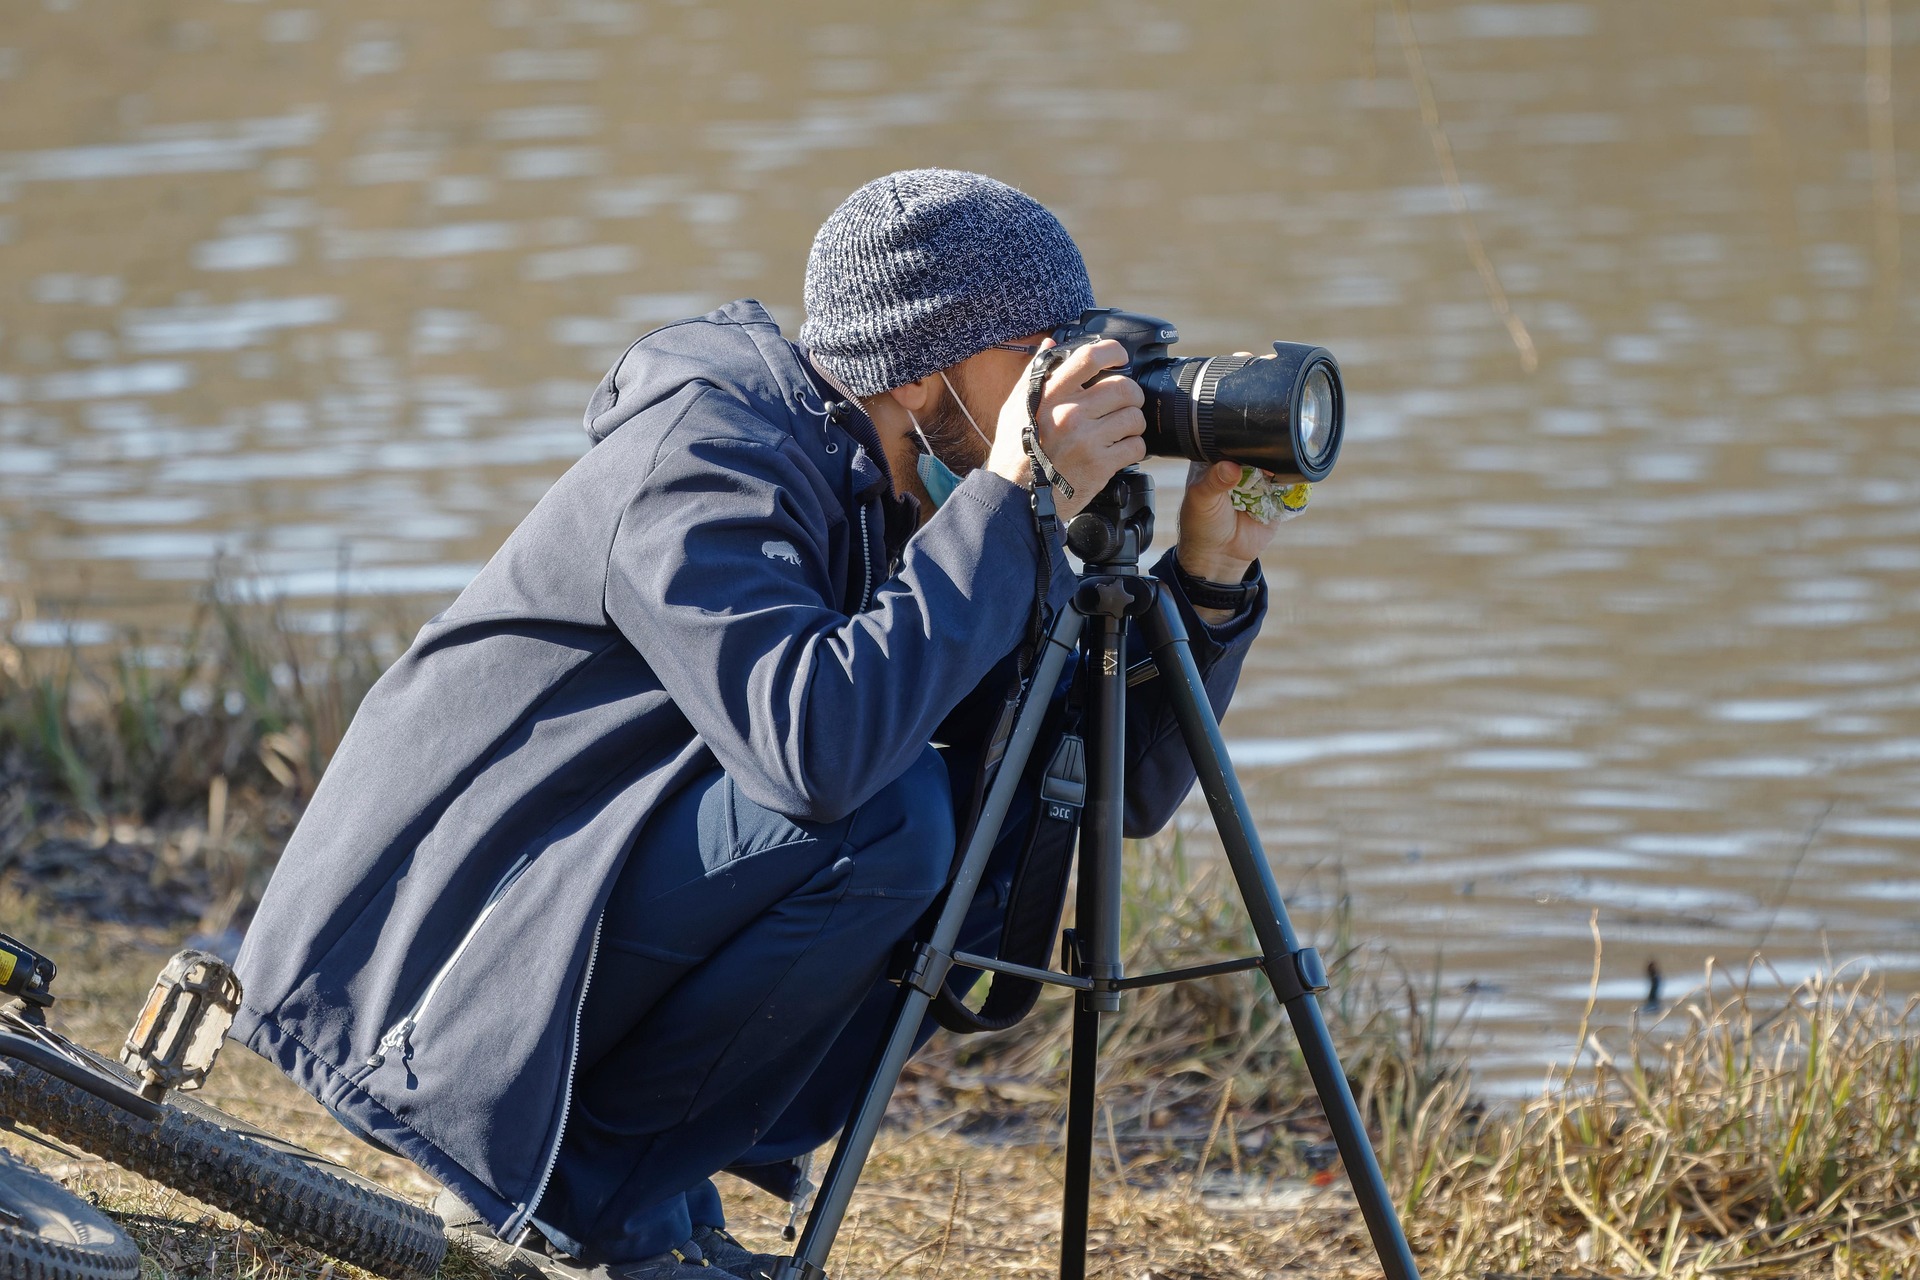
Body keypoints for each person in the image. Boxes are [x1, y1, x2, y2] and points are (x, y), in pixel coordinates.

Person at [232, 169, 1294, 1280]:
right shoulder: (708, 453)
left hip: (564, 905)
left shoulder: (917, 495)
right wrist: (1009, 495)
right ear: (922, 367)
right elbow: (817, 753)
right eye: (1043, 351)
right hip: (423, 963)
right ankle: (588, 1214)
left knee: (992, 814)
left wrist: (1210, 580)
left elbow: (1095, 785)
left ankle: (629, 1193)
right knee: (889, 816)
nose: (1073, 383)